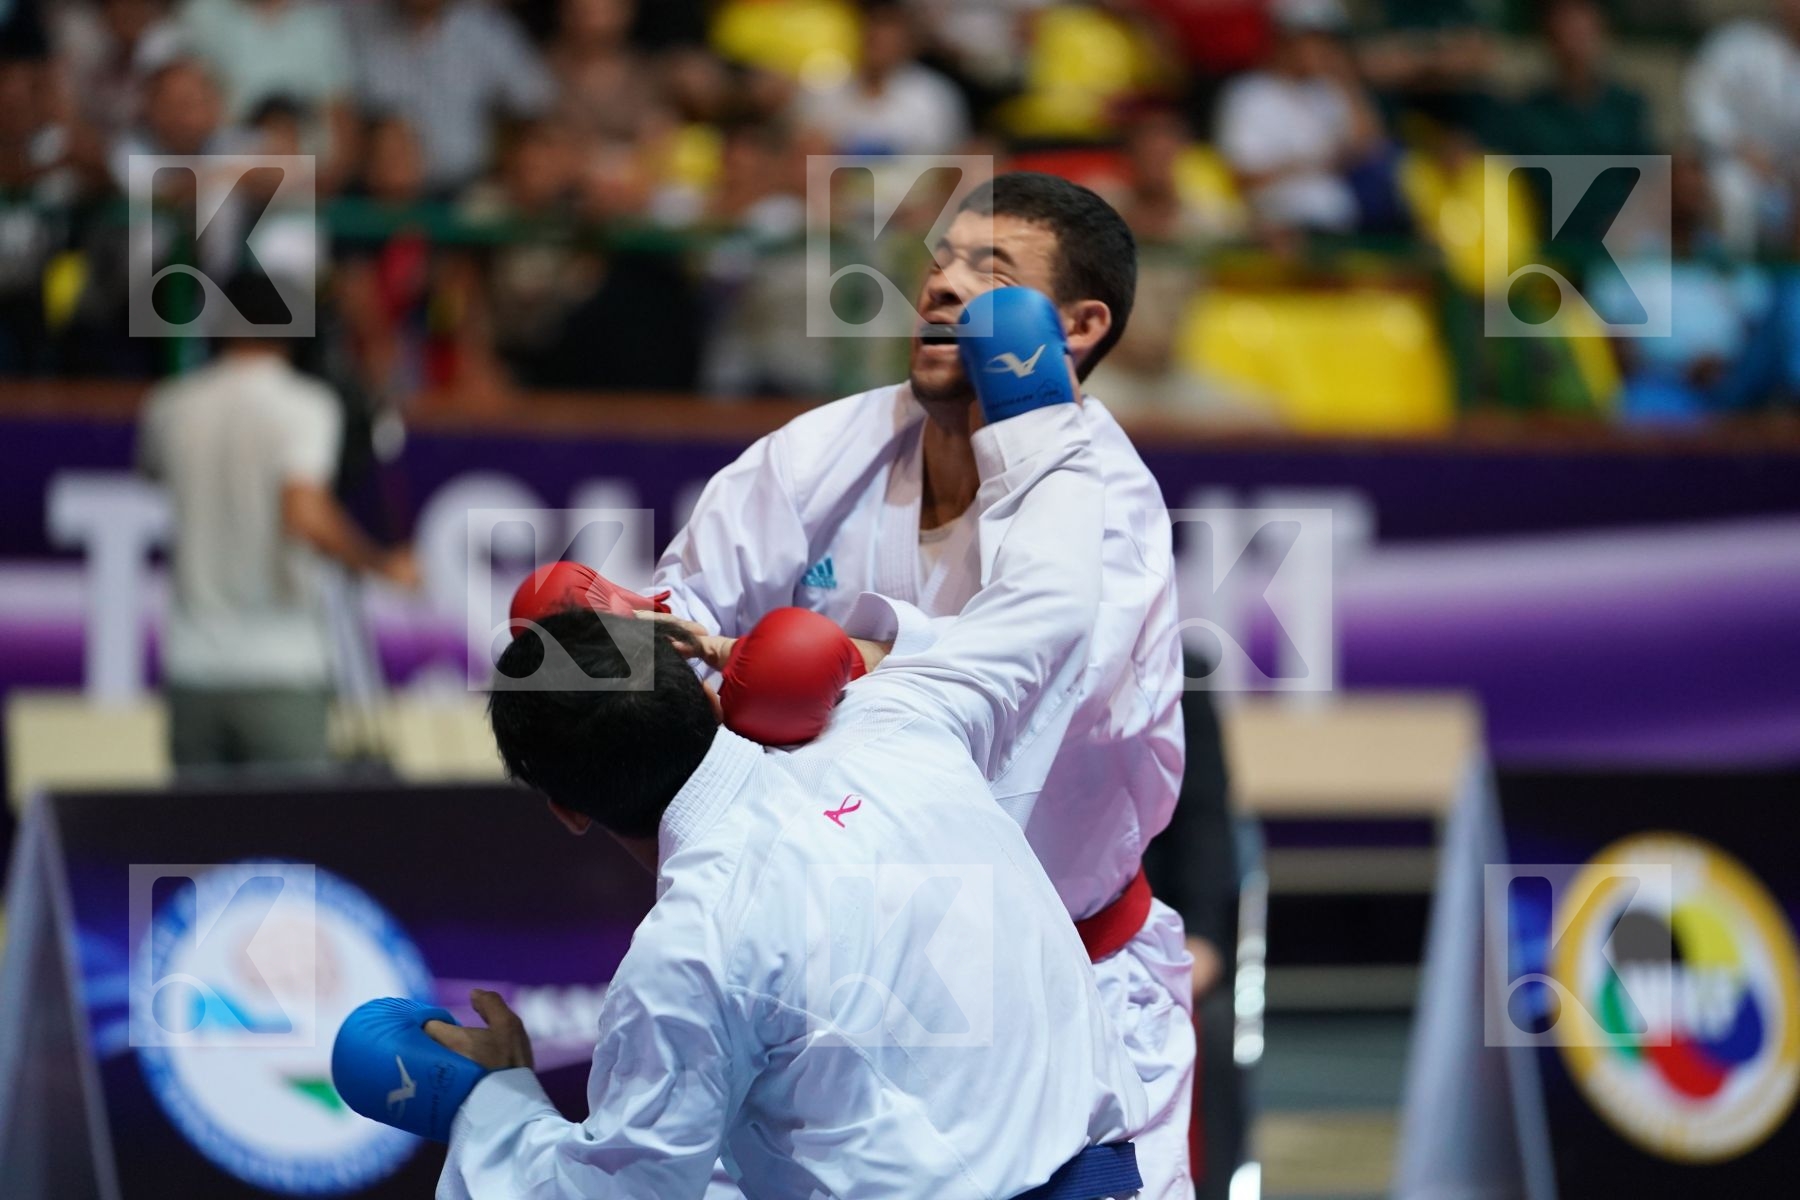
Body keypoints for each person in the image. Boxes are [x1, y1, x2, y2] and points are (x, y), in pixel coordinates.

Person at [337, 288, 1149, 1198]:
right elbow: (1045, 609)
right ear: (698, 685)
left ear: (566, 809)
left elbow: (625, 1191)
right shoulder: (895, 722)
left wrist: (483, 1104)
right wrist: (1035, 419)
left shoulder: (690, 950)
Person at [653, 172, 1197, 1199]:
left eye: (990, 274)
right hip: (835, 1001)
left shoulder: (1109, 517)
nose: (943, 286)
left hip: (1062, 1002)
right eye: (940, 262)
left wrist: (823, 663)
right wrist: (635, 636)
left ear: (1078, 327)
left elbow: (1002, 700)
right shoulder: (827, 452)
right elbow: (678, 620)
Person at [136, 273, 417, 771]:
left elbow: (154, 474)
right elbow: (303, 512)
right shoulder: (305, 407)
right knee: (293, 841)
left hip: (192, 667)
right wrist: (380, 564)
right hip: (281, 666)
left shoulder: (168, 406)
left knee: (197, 843)